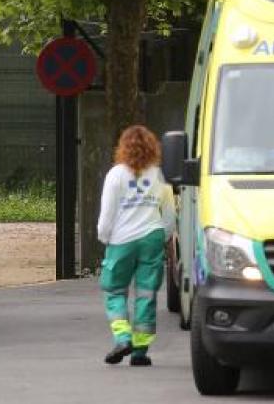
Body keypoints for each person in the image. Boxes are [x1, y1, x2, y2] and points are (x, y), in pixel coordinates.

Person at [96, 125, 176, 367]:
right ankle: (141, 351)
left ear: (123, 147)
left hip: (122, 239)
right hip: (152, 236)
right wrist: (163, 236)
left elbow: (107, 213)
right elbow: (170, 213)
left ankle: (122, 337)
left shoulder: (116, 174)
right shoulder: (160, 175)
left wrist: (104, 236)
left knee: (115, 291)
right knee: (146, 293)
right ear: (153, 147)